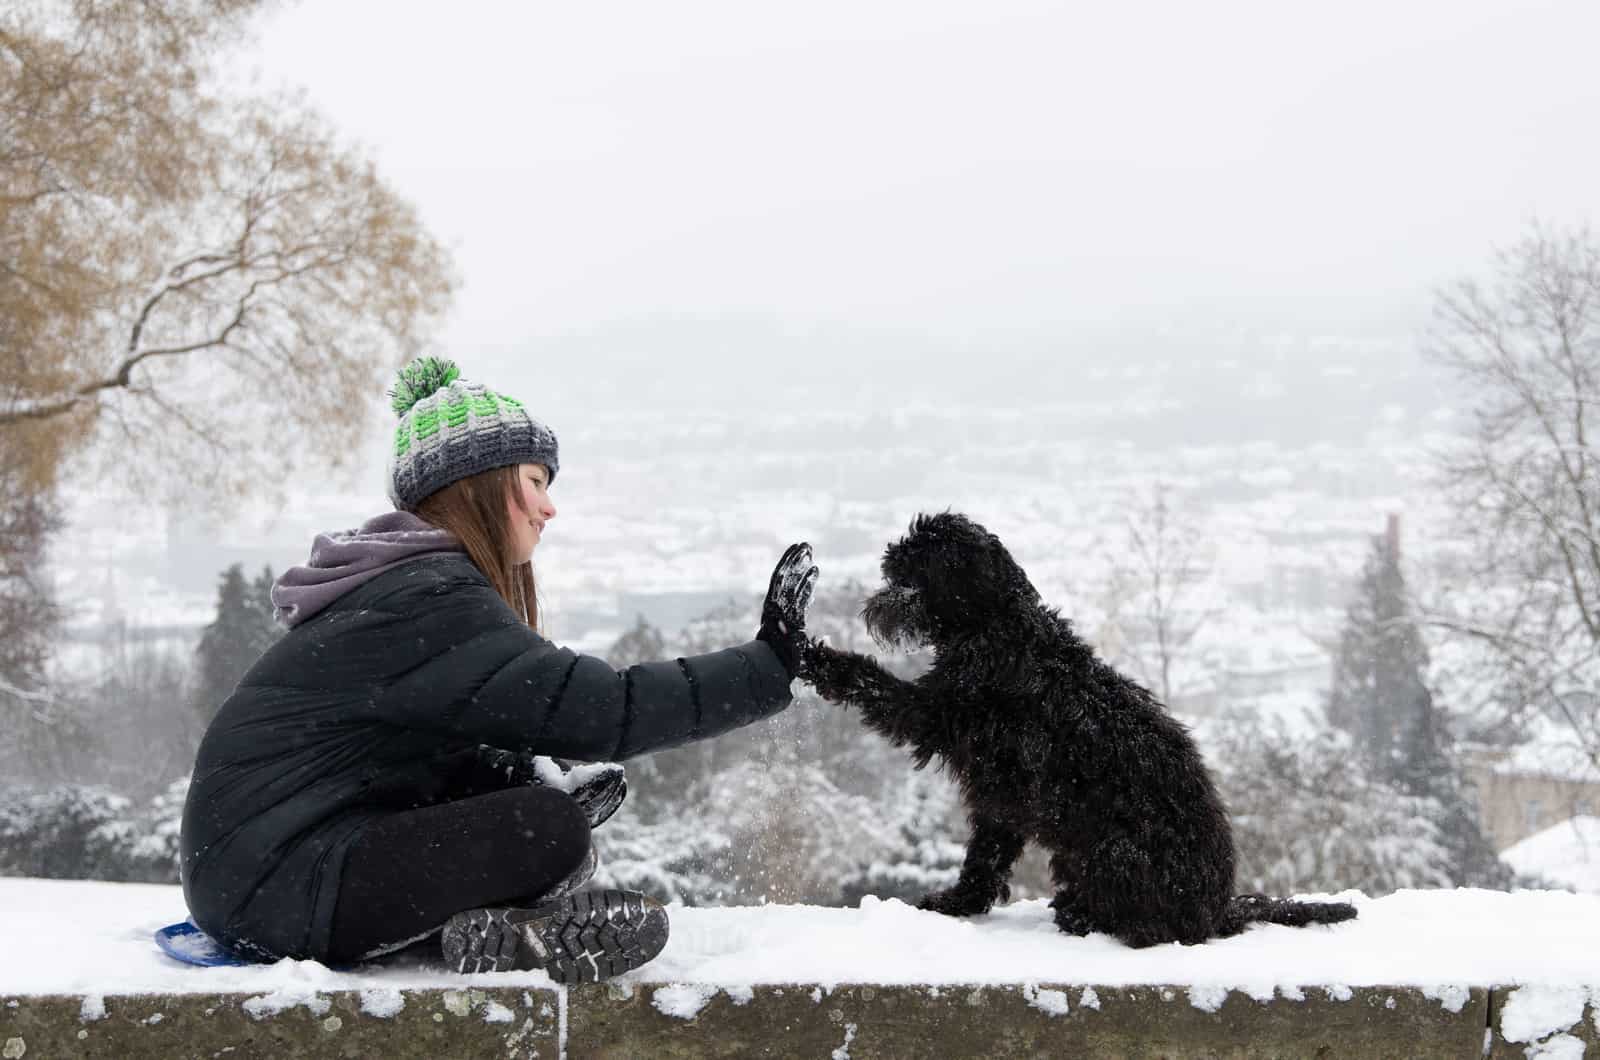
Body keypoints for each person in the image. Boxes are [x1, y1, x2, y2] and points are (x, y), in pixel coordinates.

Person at [178, 356, 819, 982]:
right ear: (481, 486)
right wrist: (764, 669)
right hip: (274, 887)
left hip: (257, 874)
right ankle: (518, 931)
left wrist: (523, 776)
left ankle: (493, 930)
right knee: (548, 833)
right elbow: (604, 710)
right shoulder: (429, 601)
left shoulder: (405, 588)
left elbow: (410, 759)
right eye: (536, 482)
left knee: (541, 817)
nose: (549, 508)